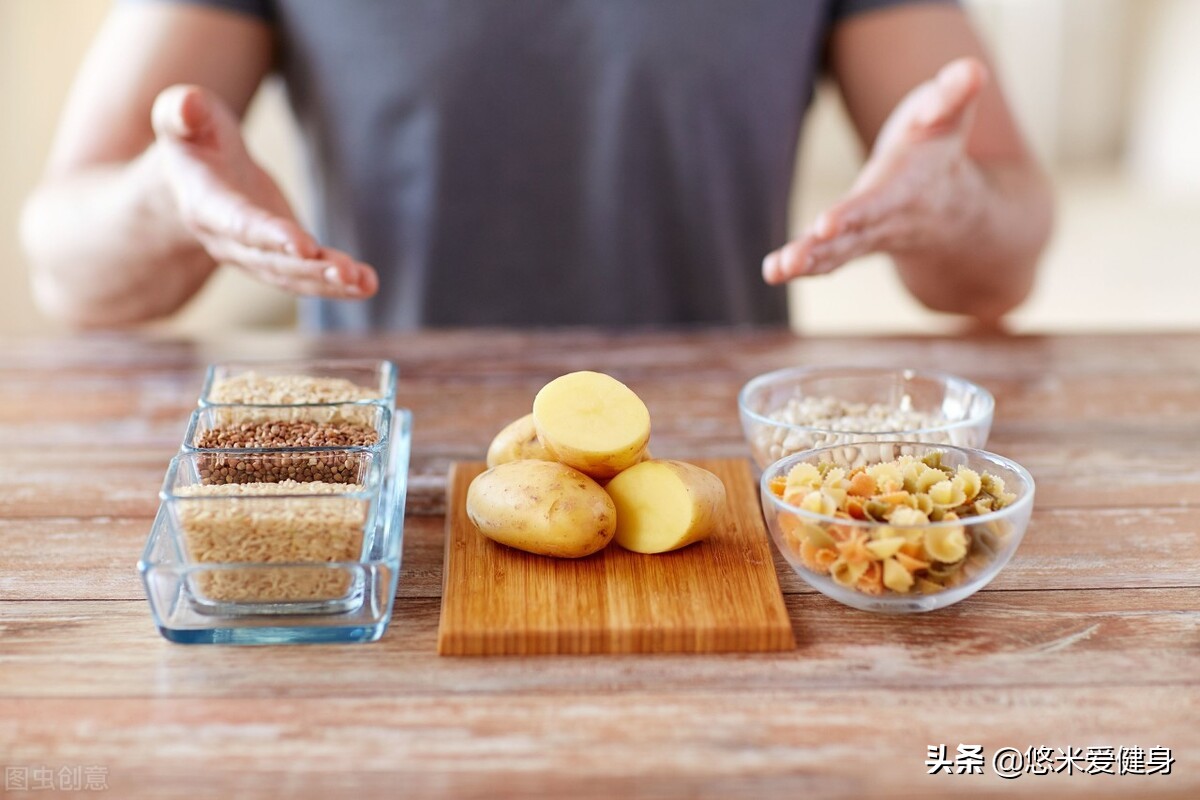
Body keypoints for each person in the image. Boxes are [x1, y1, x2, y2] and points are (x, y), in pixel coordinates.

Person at [21, 0, 1052, 331]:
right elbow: (65, 265)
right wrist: (168, 202)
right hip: (384, 512)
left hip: (720, 508)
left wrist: (951, 203)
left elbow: (1002, 256)